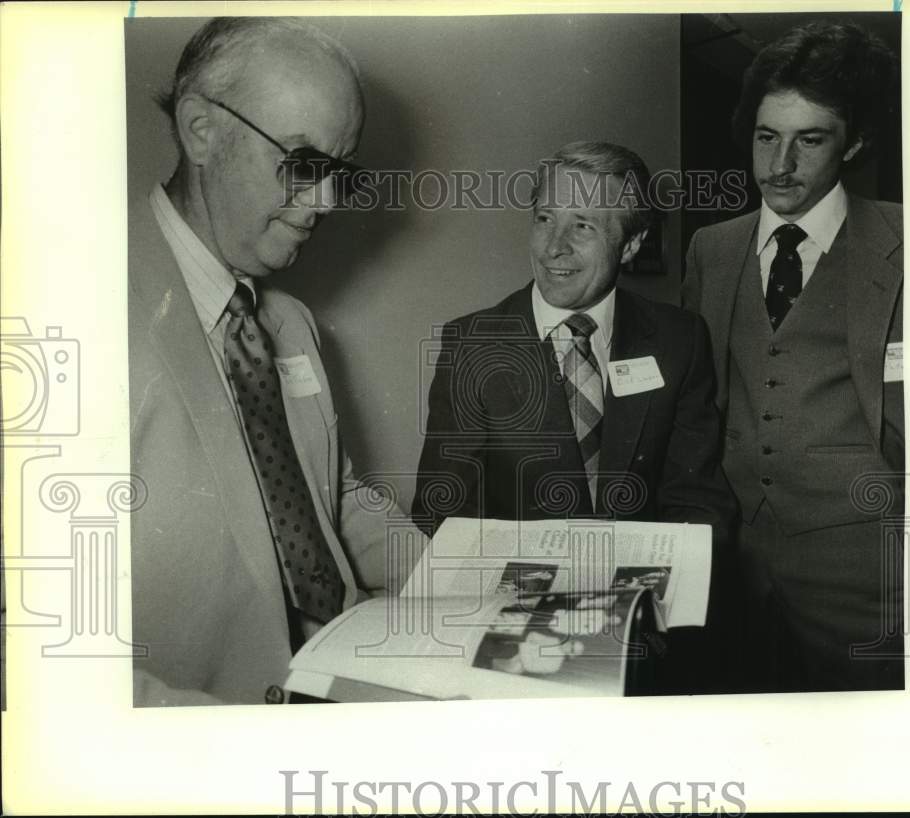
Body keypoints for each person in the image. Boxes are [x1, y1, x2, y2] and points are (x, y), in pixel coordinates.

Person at [128, 17, 411, 706]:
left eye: (337, 173)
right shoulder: (56, 300)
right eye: (302, 162)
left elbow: (330, 499)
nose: (325, 203)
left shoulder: (287, 323)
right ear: (201, 129)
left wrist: (462, 577)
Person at [414, 142, 737, 692]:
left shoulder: (679, 340)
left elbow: (699, 499)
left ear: (631, 243)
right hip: (514, 640)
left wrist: (659, 605)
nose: (554, 247)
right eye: (544, 218)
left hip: (642, 631)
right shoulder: (472, 344)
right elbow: (441, 505)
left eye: (583, 225)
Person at [682, 22, 904, 691]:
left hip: (866, 574)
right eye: (765, 136)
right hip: (735, 569)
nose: (780, 164)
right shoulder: (710, 249)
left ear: (855, 142)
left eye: (810, 139)